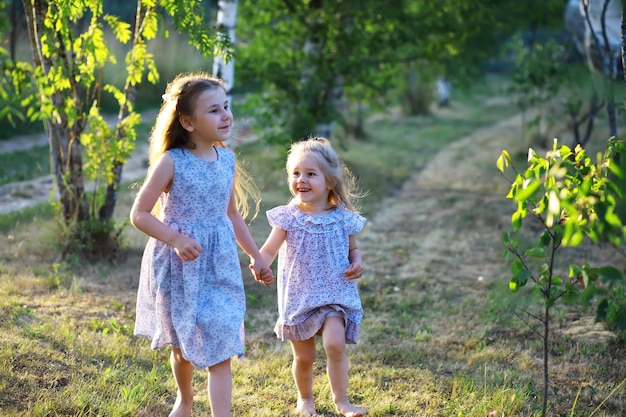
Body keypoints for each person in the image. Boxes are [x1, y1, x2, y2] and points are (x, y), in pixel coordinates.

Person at [130, 72, 274, 417]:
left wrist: (256, 256)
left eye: (226, 107)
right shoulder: (172, 162)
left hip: (219, 263)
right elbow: (140, 214)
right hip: (179, 265)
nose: (226, 115)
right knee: (182, 345)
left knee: (220, 342)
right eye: (214, 110)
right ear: (187, 122)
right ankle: (185, 399)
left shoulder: (227, 160)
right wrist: (176, 238)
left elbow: (232, 216)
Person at [257, 137, 367, 417]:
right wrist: (260, 264)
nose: (300, 180)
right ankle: (305, 399)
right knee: (304, 356)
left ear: (329, 181)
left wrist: (357, 263)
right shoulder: (289, 217)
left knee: (335, 344)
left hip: (334, 294)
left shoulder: (343, 217)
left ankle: (341, 401)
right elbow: (269, 249)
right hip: (300, 296)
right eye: (295, 173)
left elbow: (353, 249)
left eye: (310, 174)